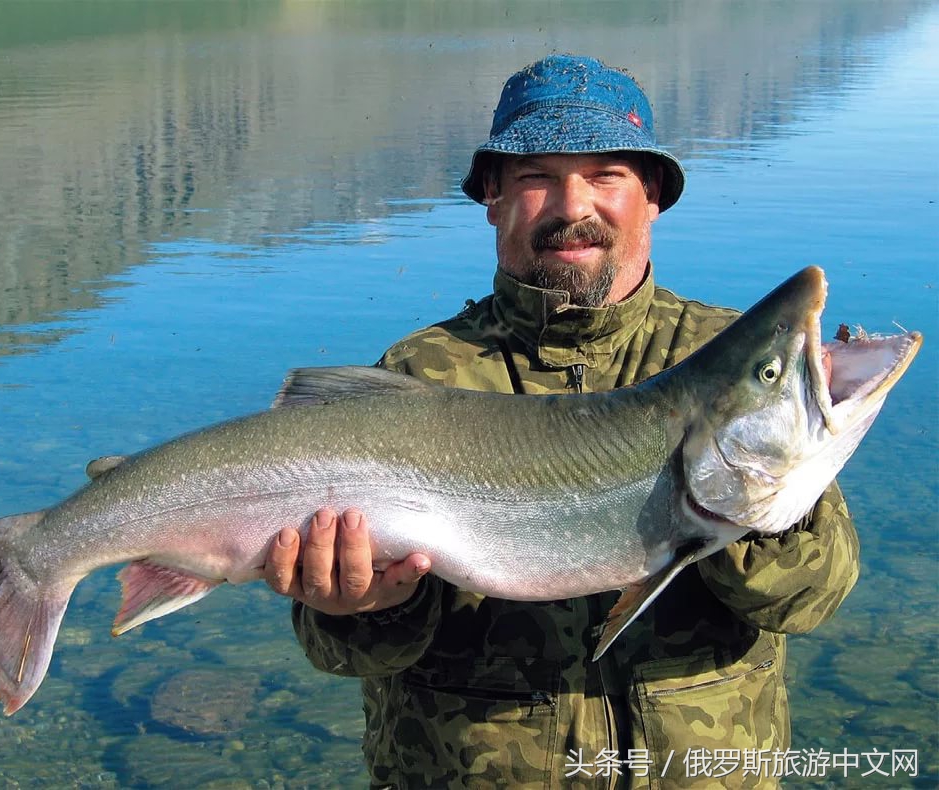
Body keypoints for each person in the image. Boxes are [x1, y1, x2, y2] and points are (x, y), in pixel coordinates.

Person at [264, 54, 859, 789]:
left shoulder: (728, 360)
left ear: (653, 198)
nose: (571, 205)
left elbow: (812, 597)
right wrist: (358, 609)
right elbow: (345, 654)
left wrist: (742, 500)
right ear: (492, 197)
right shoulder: (421, 375)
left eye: (606, 175)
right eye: (535, 175)